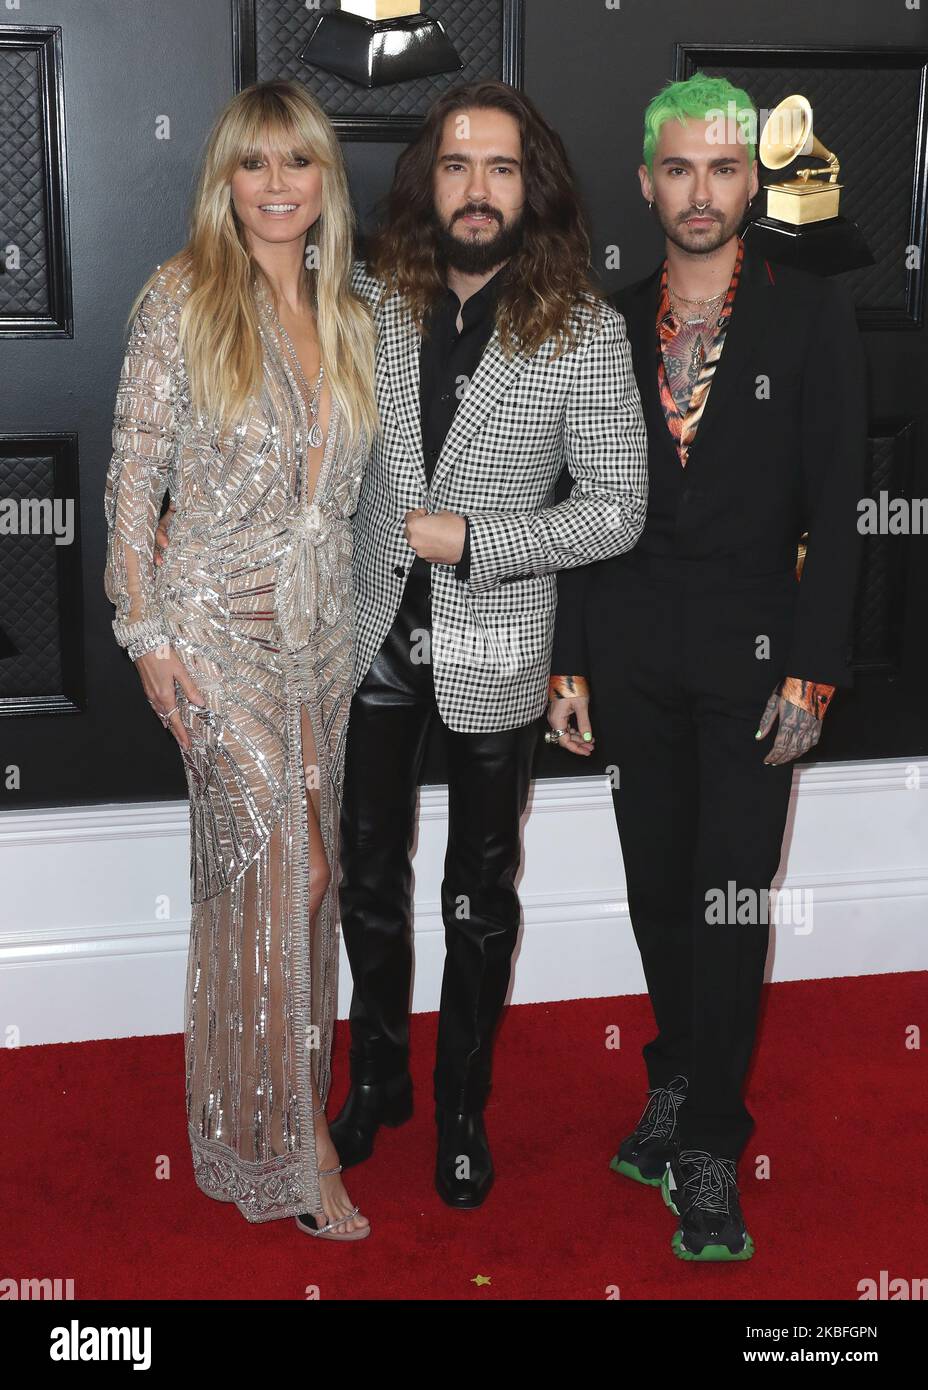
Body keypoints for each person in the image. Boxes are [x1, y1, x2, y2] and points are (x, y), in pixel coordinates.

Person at [547, 72, 867, 1260]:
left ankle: (709, 1144)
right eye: (676, 168)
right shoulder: (602, 324)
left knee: (730, 896)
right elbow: (575, 500)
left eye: (722, 168)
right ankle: (677, 1068)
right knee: (655, 889)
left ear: (751, 180)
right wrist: (567, 659)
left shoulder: (809, 312)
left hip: (756, 659)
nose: (698, 190)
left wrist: (815, 662)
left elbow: (840, 506)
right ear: (646, 180)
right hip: (629, 650)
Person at [330, 79, 648, 1208]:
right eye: (458, 166)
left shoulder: (585, 327)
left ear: (533, 186)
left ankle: (460, 1106)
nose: (477, 189)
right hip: (365, 633)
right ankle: (377, 1078)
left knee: (480, 889)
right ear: (430, 181)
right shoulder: (364, 294)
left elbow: (617, 507)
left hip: (495, 643)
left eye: (501, 169)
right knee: (365, 878)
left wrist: (478, 539)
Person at [104, 80, 377, 1238]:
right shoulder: (181, 297)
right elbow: (132, 480)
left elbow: (362, 494)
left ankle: (262, 1112)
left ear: (324, 180)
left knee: (301, 901)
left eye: (298, 163)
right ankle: (295, 1140)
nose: (277, 186)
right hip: (212, 635)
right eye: (255, 164)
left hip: (318, 639)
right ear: (225, 179)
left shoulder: (352, 308)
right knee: (292, 875)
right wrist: (145, 634)